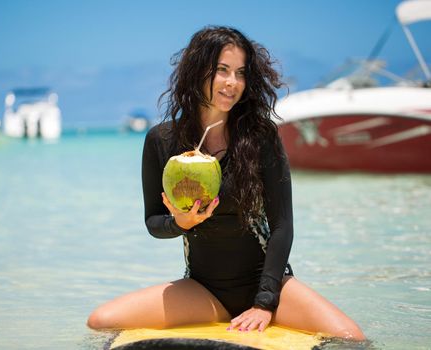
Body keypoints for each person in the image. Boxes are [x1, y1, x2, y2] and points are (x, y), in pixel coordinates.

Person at [87, 26, 365, 340]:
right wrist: (180, 222)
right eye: (222, 70)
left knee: (350, 338)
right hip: (204, 289)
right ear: (198, 72)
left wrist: (264, 303)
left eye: (240, 73)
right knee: (101, 320)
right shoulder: (162, 141)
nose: (232, 83)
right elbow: (153, 221)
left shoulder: (260, 137)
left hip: (268, 285)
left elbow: (282, 225)